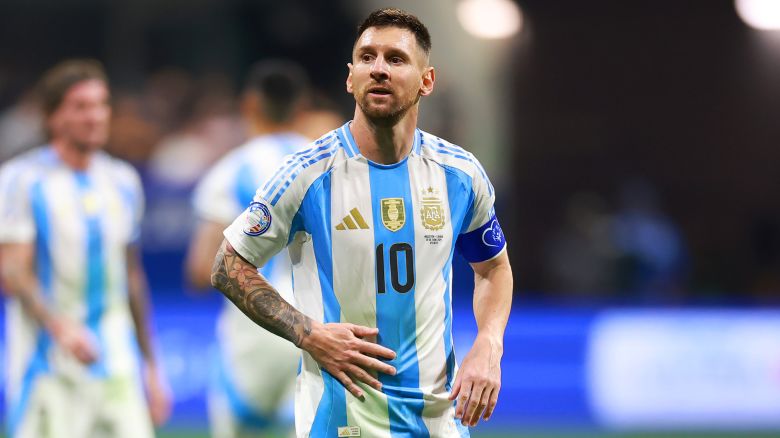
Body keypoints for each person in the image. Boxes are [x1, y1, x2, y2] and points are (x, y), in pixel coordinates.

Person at [210, 8, 513, 437]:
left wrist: (489, 343)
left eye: (396, 59)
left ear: (427, 81)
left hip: (439, 418)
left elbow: (493, 267)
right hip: (341, 418)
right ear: (350, 79)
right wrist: (309, 333)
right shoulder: (306, 174)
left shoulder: (460, 175)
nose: (379, 69)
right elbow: (227, 265)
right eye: (367, 57)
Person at [0, 59, 170, 438]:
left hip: (117, 363)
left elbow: (132, 277)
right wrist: (61, 328)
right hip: (46, 366)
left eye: (101, 104)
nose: (95, 116)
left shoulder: (122, 180)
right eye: (80, 107)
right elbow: (13, 271)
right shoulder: (22, 180)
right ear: (52, 116)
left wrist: (152, 368)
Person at [186, 59, 313, 437]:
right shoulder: (328, 164)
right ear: (302, 106)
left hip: (255, 328)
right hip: (319, 326)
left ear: (249, 104)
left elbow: (200, 269)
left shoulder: (230, 170)